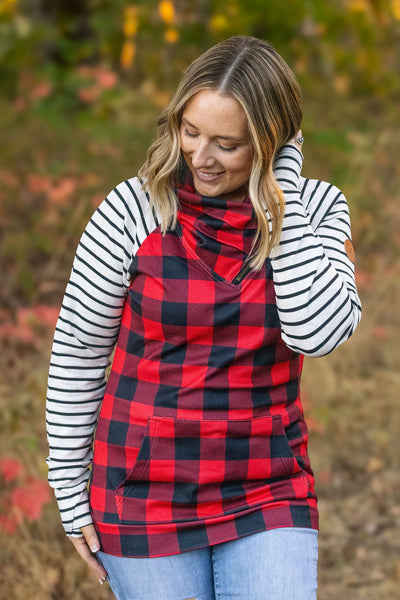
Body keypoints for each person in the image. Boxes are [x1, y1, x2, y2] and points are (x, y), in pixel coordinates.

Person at [46, 35, 361, 600]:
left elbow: (319, 332)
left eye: (228, 143)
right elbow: (79, 354)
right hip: (143, 489)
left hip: (266, 483)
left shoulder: (316, 207)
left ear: (271, 143)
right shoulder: (132, 209)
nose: (201, 157)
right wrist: (70, 492)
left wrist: (278, 199)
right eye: (190, 132)